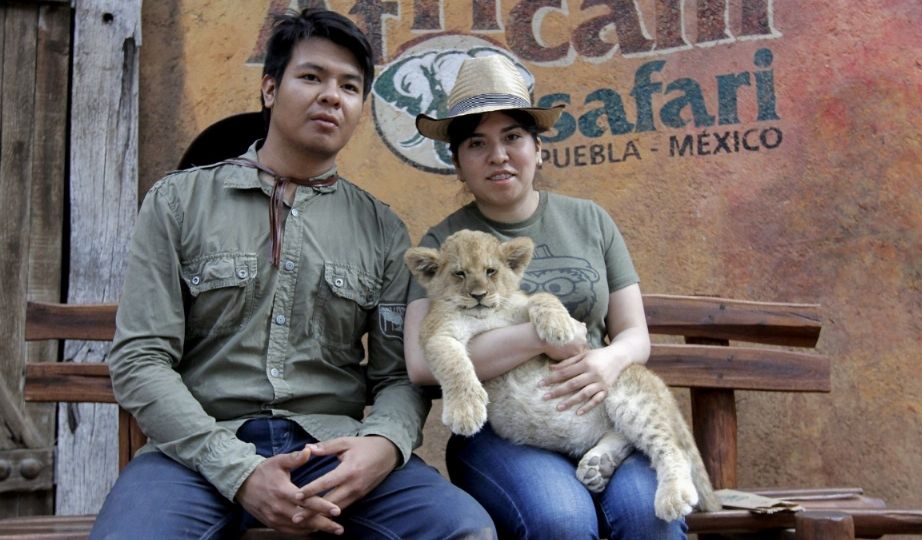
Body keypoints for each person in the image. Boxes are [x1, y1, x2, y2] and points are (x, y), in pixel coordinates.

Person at [92, 8, 494, 539]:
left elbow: (399, 375)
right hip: (198, 451)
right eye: (311, 77)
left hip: (334, 450)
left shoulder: (383, 230)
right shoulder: (178, 202)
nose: (332, 95)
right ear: (269, 89)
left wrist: (383, 445)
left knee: (463, 530)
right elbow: (140, 358)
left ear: (358, 109)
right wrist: (237, 469)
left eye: (349, 86)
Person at [404, 55, 687, 540]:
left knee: (649, 516)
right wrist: (539, 338)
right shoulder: (444, 242)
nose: (498, 155)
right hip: (504, 429)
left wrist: (608, 361)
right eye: (477, 143)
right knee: (562, 519)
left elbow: (635, 333)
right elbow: (422, 364)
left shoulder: (591, 221)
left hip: (599, 409)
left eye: (512, 137)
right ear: (457, 163)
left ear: (538, 149)